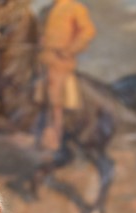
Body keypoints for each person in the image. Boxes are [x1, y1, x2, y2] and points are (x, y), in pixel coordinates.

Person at [37, 0, 96, 150]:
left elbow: (88, 31)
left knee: (54, 99)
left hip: (60, 61)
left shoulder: (76, 8)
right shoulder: (46, 10)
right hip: (41, 59)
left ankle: (55, 139)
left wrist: (70, 50)